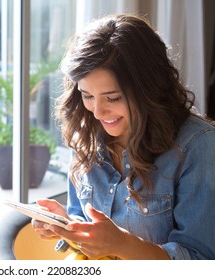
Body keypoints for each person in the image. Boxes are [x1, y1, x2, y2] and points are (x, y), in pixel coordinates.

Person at [32, 14, 215, 260]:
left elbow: (200, 261)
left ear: (148, 89)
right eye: (87, 95)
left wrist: (123, 245)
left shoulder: (197, 146)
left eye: (113, 98)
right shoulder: (87, 136)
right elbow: (86, 221)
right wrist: (67, 224)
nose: (97, 111)